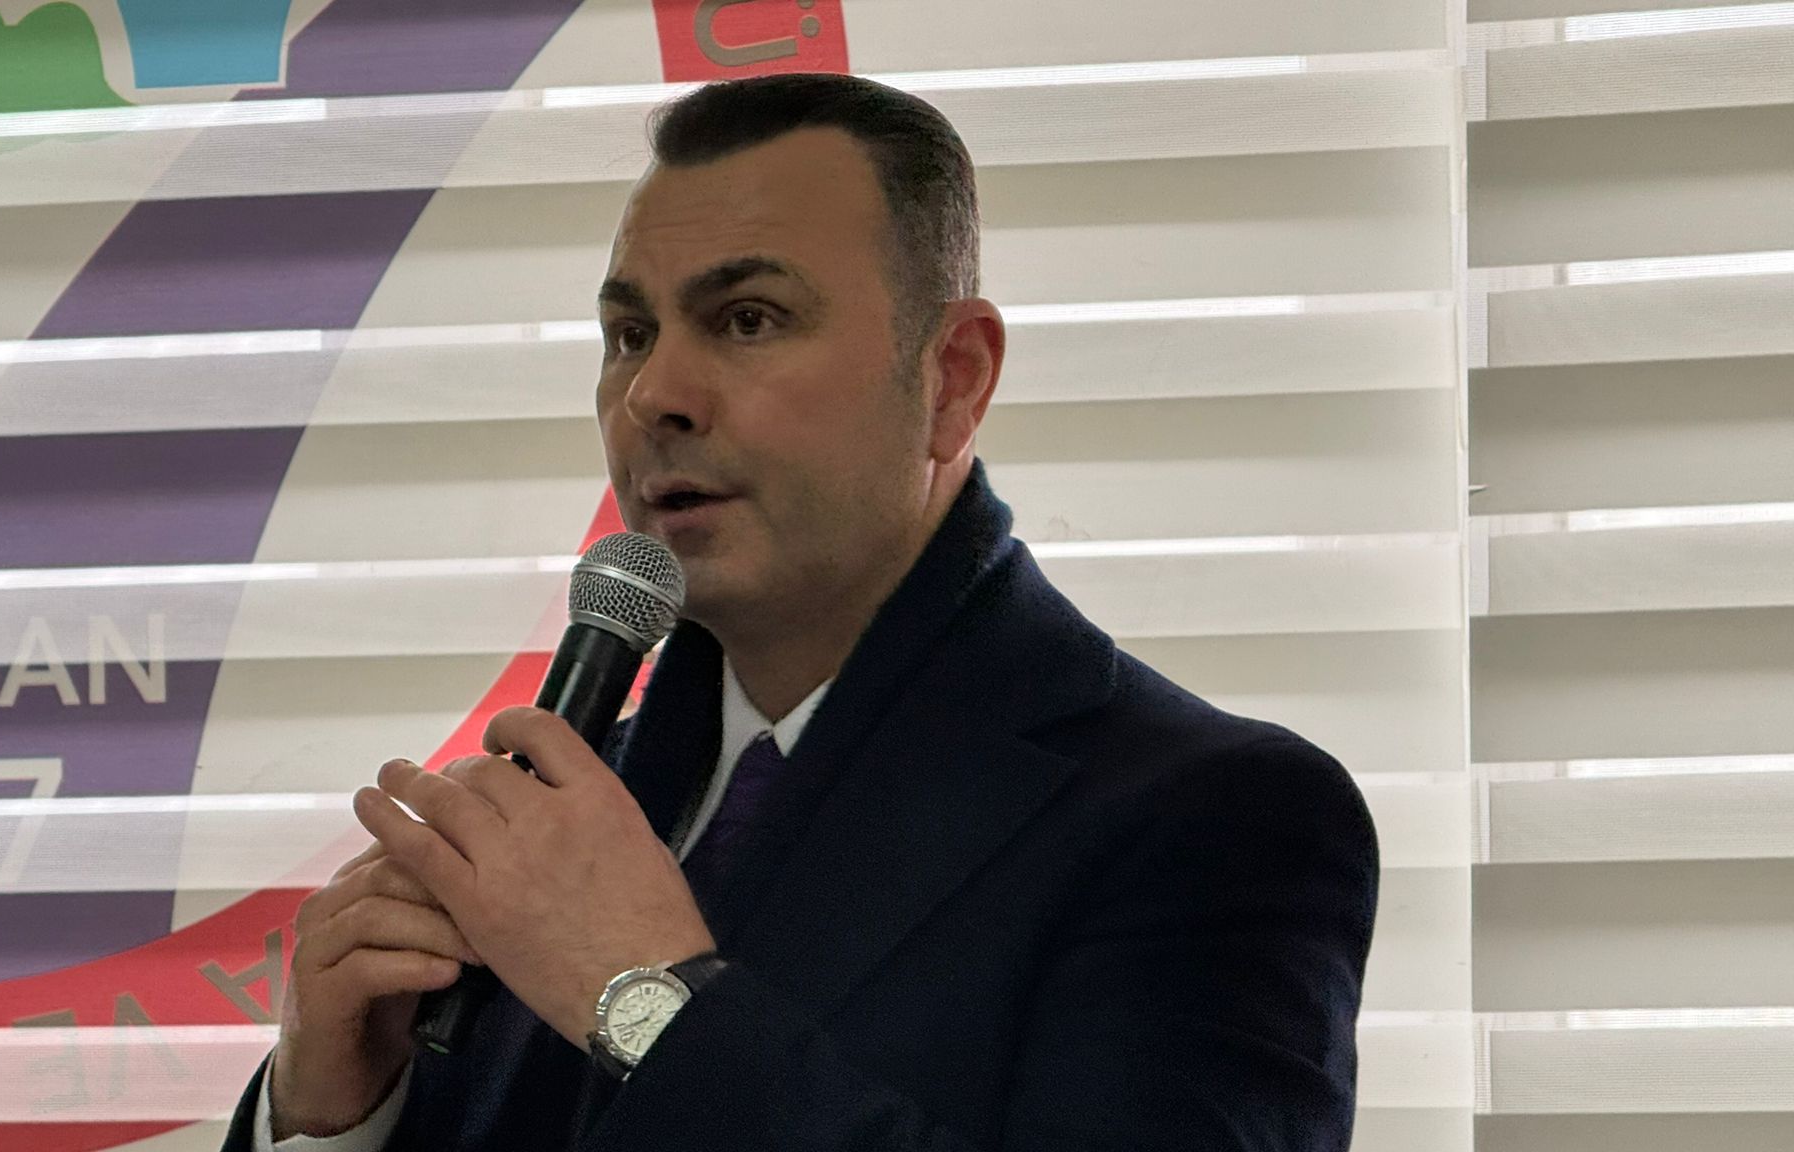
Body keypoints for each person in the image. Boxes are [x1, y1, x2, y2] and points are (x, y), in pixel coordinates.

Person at [223, 72, 1380, 1152]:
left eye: (747, 319)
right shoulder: (565, 818)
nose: (653, 395)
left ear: (953, 378)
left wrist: (645, 1004)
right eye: (630, 335)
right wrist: (332, 1113)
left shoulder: (1216, 818)